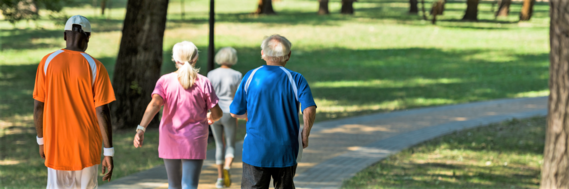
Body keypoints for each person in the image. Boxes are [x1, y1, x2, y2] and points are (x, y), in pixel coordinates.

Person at [32, 15, 116, 189]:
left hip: (55, 148)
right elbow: (102, 111)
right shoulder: (95, 66)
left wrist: (41, 141)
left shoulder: (46, 62)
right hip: (86, 149)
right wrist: (108, 152)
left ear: (64, 35)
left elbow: (38, 107)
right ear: (87, 37)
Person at [230, 34, 317, 189]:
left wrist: (249, 115)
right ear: (288, 56)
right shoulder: (296, 79)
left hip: (256, 150)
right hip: (286, 149)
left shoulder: (251, 76)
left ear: (263, 54)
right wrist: (305, 133)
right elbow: (309, 107)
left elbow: (235, 111)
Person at [133, 41, 223, 189]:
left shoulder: (165, 81)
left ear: (175, 59)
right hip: (195, 138)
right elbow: (217, 113)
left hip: (170, 137)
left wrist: (141, 128)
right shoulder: (204, 82)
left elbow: (155, 104)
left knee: (173, 185)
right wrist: (210, 117)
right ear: (196, 58)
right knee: (190, 184)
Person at [207, 47, 243, 188]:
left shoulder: (211, 74)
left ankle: (220, 178)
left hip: (215, 111)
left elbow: (207, 94)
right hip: (229, 112)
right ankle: (228, 166)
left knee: (219, 145)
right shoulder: (237, 75)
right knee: (230, 144)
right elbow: (239, 97)